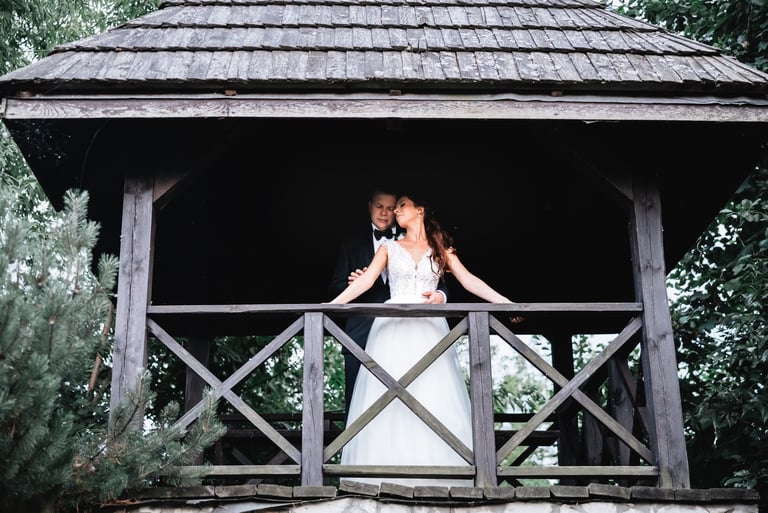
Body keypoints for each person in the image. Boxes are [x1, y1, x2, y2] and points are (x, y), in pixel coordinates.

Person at [329, 192, 513, 487]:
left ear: (420, 210)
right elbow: (365, 282)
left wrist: (505, 303)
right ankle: (378, 476)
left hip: (428, 330)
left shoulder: (442, 250)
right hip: (390, 331)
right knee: (386, 398)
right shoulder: (389, 247)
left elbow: (469, 281)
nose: (394, 211)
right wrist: (329, 307)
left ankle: (441, 476)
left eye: (401, 205)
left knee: (432, 393)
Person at [328, 188, 448, 415]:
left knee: (425, 393)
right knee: (359, 407)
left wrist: (442, 296)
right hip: (361, 333)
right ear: (369, 206)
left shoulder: (420, 242)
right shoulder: (351, 245)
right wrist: (351, 283)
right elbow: (335, 286)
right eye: (378, 207)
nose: (384, 213)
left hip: (414, 330)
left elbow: (439, 281)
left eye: (391, 208)